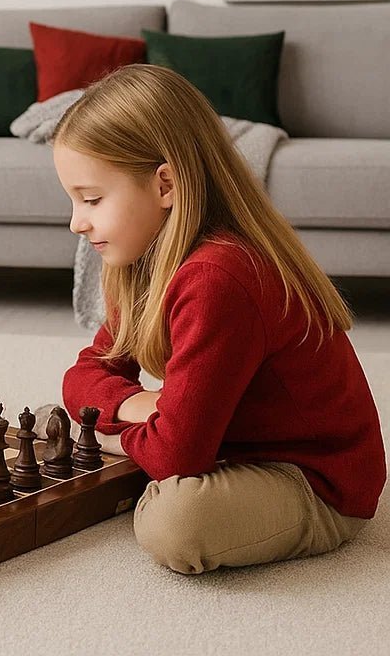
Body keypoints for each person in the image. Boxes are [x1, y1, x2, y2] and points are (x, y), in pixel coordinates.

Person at [53, 64, 385, 574]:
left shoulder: (219, 277)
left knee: (173, 522)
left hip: (314, 480)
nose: (77, 222)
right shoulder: (141, 258)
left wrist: (113, 431)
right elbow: (85, 372)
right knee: (72, 424)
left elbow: (177, 456)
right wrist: (138, 405)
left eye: (92, 199)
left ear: (165, 184)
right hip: (232, 446)